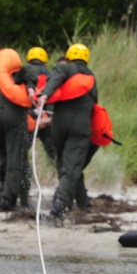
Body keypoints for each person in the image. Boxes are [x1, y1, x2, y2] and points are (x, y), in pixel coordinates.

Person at [36, 43, 98, 223]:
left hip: (59, 126)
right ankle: (59, 206)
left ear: (69, 56)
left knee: (65, 164)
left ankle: (81, 202)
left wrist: (45, 95)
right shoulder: (90, 76)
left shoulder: (63, 68)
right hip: (80, 127)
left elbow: (55, 79)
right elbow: (95, 104)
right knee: (72, 167)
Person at [0, 51, 42, 211]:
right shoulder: (18, 75)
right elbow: (30, 71)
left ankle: (1, 189)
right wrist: (31, 88)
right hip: (12, 117)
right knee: (15, 158)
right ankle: (8, 198)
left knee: (1, 155)